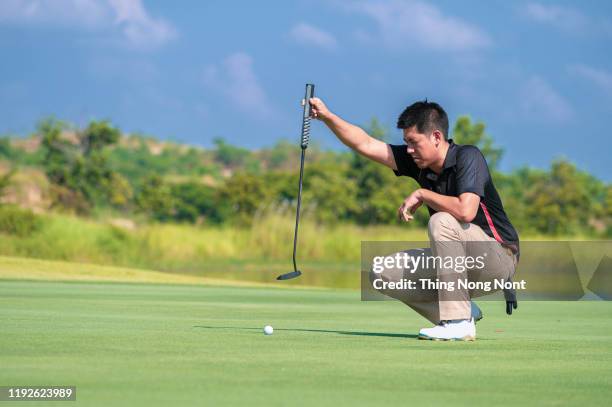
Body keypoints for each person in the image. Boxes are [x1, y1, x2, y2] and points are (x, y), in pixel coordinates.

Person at [309, 97, 519, 341]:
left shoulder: (468, 157)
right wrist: (327, 117)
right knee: (381, 273)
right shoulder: (417, 162)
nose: (408, 149)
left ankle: (458, 322)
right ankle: (464, 312)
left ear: (436, 137)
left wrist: (422, 193)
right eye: (406, 142)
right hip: (457, 263)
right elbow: (365, 144)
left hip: (498, 258)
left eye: (413, 142)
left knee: (441, 221)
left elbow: (466, 211)